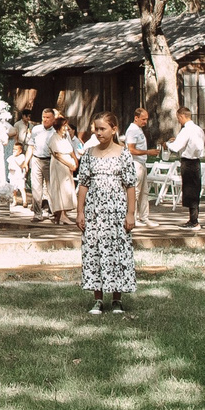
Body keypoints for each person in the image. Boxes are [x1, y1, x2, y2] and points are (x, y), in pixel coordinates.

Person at [76, 112, 142, 314]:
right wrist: (80, 211)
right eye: (96, 129)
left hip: (116, 211)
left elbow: (130, 186)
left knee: (117, 252)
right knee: (95, 251)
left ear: (114, 129)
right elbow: (84, 184)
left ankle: (117, 299)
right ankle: (98, 299)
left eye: (103, 129)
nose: (98, 133)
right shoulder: (89, 154)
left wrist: (130, 213)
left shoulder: (123, 154)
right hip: (94, 211)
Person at [170, 106, 205, 227]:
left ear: (181, 116)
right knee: (195, 189)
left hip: (188, 161)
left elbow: (176, 147)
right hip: (196, 161)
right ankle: (193, 218)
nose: (178, 121)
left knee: (190, 191)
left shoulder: (186, 130)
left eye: (178, 118)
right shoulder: (199, 129)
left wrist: (168, 144)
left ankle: (194, 220)